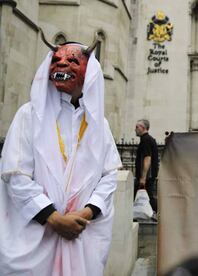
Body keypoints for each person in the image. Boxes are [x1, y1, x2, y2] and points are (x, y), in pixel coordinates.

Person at [0, 32, 122, 275]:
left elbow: (109, 177)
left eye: (73, 61)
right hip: (36, 240)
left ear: (89, 72)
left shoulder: (99, 125)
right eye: (56, 60)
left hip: (81, 236)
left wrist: (86, 213)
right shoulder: (29, 116)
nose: (62, 64)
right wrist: (54, 219)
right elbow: (15, 176)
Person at [135, 119, 159, 212]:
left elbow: (147, 159)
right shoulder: (148, 139)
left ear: (143, 128)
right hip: (148, 176)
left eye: (137, 127)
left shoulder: (146, 140)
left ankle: (161, 213)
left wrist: (143, 177)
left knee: (148, 197)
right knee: (147, 197)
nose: (135, 129)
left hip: (146, 176)